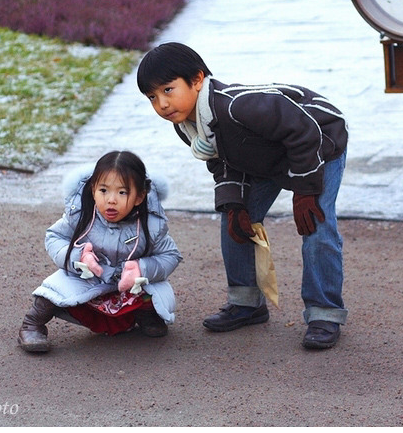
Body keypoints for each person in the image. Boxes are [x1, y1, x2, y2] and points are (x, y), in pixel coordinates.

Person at [136, 42, 349, 350]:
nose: (162, 104)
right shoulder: (187, 125)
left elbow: (305, 131)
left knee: (316, 222)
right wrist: (234, 202)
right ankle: (246, 303)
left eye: (168, 90)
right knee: (234, 220)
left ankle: (324, 313)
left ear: (197, 80)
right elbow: (224, 161)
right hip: (266, 156)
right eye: (152, 97)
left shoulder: (238, 106)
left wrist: (304, 190)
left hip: (319, 141)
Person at [18, 150, 182, 353]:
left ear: (139, 197)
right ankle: (32, 324)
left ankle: (146, 315)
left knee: (156, 292)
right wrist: (78, 258)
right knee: (53, 289)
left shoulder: (151, 224)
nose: (111, 200)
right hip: (89, 277)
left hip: (129, 285)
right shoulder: (81, 214)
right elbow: (54, 237)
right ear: (93, 189)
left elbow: (171, 255)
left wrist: (141, 269)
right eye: (103, 190)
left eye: (122, 192)